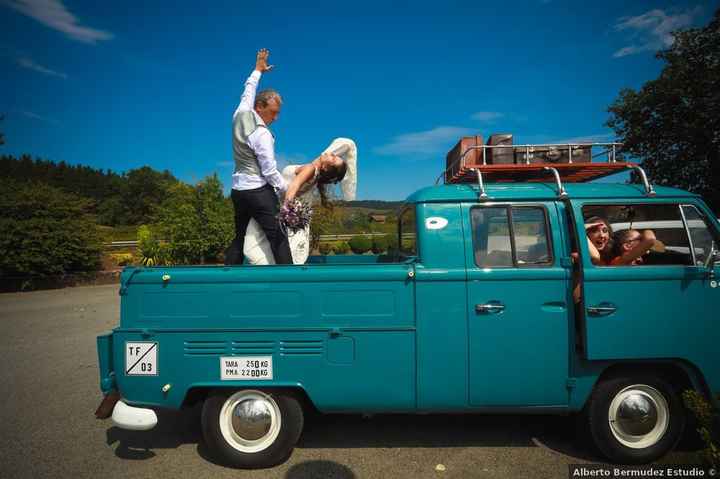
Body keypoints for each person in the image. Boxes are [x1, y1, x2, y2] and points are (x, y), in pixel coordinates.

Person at [225, 48, 293, 265]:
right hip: (258, 192)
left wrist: (257, 70)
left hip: (237, 191)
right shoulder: (261, 133)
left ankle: (228, 280)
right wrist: (287, 188)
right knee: (279, 237)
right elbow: (269, 171)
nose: (276, 117)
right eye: (273, 112)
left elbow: (248, 89)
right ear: (260, 107)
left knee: (239, 237)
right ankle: (292, 284)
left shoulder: (241, 113)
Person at [244, 137, 357, 265]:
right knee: (261, 246)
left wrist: (286, 212)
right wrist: (348, 146)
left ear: (326, 168)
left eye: (334, 158)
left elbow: (293, 187)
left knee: (253, 244)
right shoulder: (315, 171)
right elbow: (333, 152)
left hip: (275, 206)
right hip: (273, 203)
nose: (332, 154)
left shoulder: (310, 169)